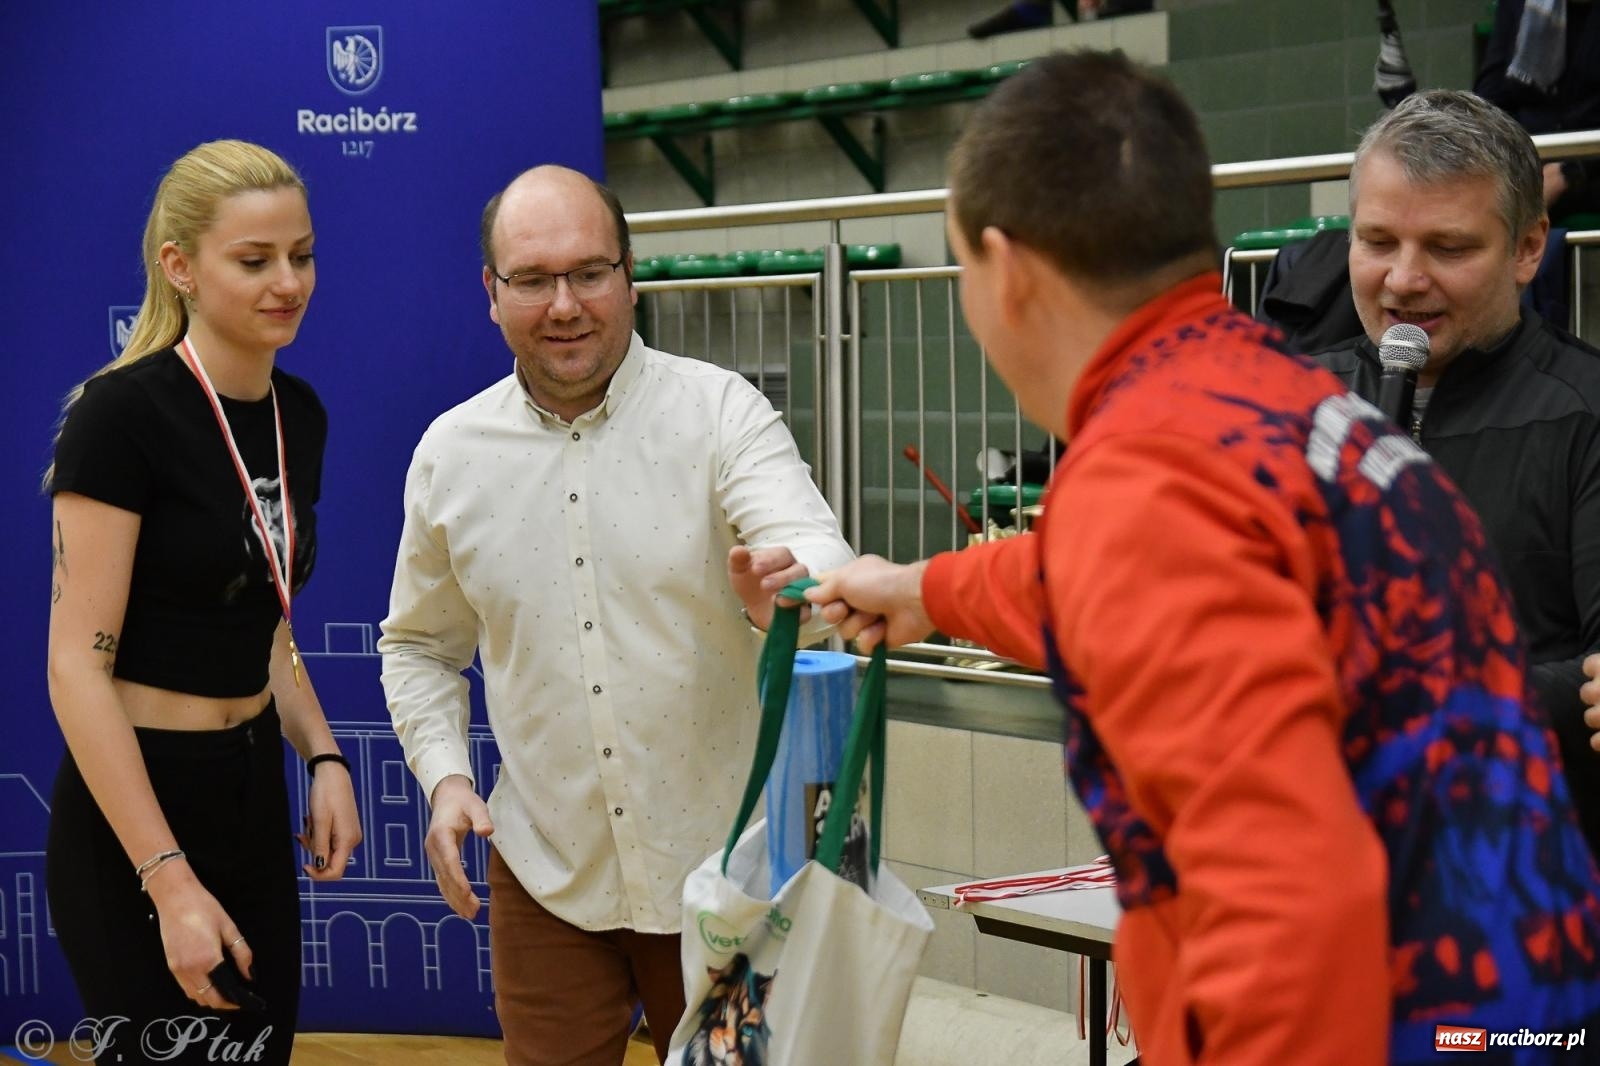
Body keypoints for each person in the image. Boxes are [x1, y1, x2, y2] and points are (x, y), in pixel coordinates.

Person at [802, 51, 1600, 1064]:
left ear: (1004, 269)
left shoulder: (1146, 473)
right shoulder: (1262, 392)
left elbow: (1283, 899)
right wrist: (922, 589)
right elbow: (1098, 579)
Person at [377, 165, 853, 1066]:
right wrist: (444, 777)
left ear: (630, 276)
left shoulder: (721, 414)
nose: (564, 305)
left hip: (726, 870)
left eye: (590, 273)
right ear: (491, 293)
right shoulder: (450, 455)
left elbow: (817, 553)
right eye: (532, 280)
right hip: (546, 873)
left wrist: (787, 596)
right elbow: (419, 647)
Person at [45, 139, 361, 1065]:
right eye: (255, 260)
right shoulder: (120, 417)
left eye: (301, 255)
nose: (288, 281)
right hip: (138, 812)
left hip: (253, 788)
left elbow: (261, 616)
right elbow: (76, 666)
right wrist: (169, 879)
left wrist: (326, 754)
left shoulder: (299, 414)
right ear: (179, 267)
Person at [1314, 89, 1600, 865]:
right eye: (1377, 241)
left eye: (1448, 248)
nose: (1404, 280)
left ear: (1529, 248)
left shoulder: (1585, 414)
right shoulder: (1288, 403)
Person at [1475, 0, 1600, 223]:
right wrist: (1518, 164)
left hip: (1591, 165)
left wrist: (1568, 172)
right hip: (1525, 159)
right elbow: (1490, 99)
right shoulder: (1516, 4)